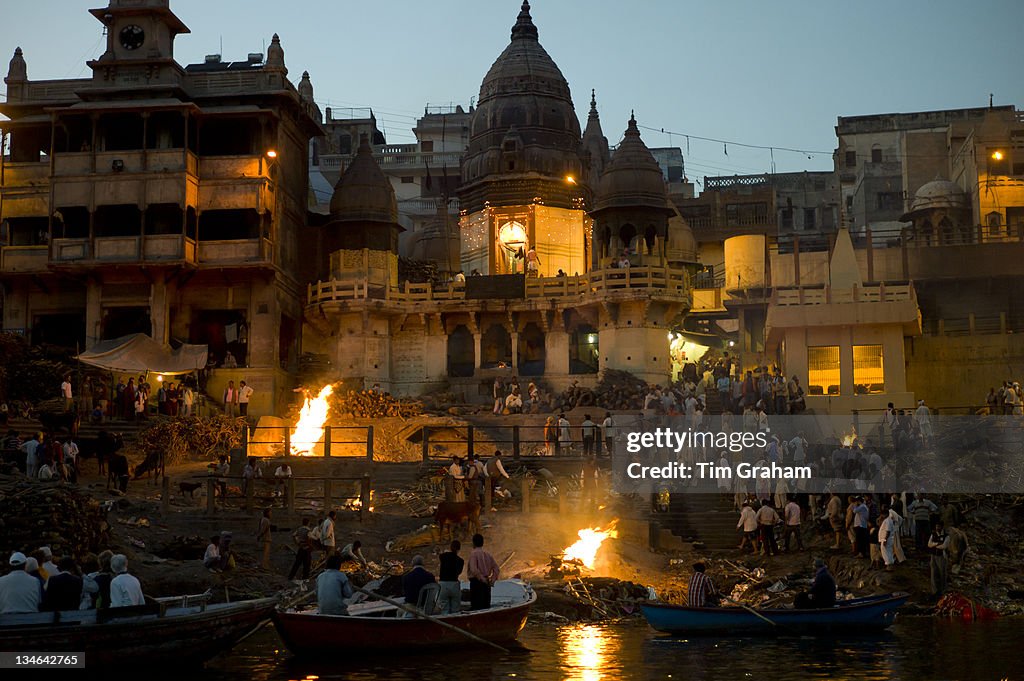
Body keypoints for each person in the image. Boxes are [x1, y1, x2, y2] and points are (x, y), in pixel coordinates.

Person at [466, 533, 499, 610]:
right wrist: (492, 581)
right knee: (486, 606)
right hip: (486, 583)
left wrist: (481, 578)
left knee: (476, 607)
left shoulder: (473, 554)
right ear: (483, 543)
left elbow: (474, 569)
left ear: (473, 543)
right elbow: (496, 569)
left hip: (477, 583)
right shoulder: (488, 554)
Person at [438, 540, 465, 615]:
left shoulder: (443, 556)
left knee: (444, 608)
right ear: (459, 549)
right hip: (454, 584)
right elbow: (459, 572)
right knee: (455, 609)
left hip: (443, 584)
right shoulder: (460, 561)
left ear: (450, 547)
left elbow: (440, 555)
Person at [928, 520, 950, 599]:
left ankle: (943, 591)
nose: (937, 528)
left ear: (942, 527)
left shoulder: (946, 536)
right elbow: (929, 544)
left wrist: (934, 545)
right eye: (937, 526)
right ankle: (934, 591)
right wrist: (937, 544)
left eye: (939, 526)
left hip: (941, 557)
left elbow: (944, 546)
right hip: (933, 556)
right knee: (933, 573)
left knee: (942, 573)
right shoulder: (933, 534)